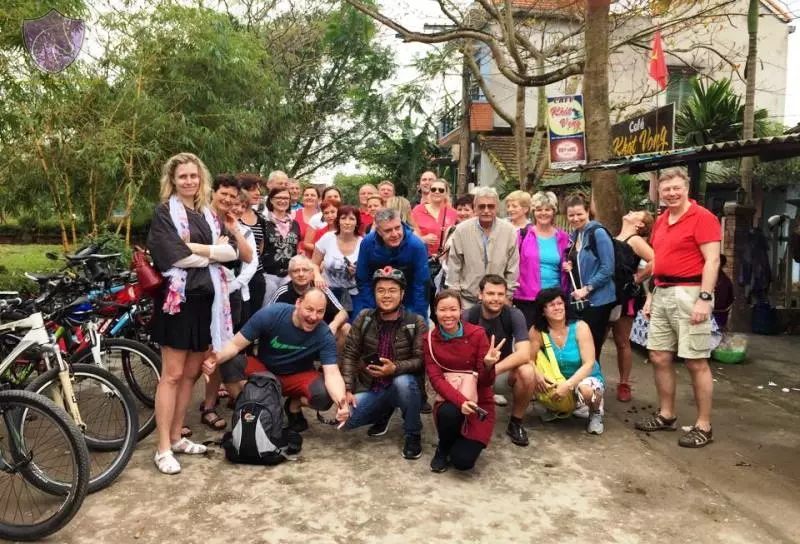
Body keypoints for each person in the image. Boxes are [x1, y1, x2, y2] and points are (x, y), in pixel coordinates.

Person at [147, 152, 239, 474]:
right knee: (171, 375)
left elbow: (233, 252)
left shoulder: (208, 216)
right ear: (172, 180)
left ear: (201, 179)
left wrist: (201, 250)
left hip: (206, 303)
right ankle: (161, 448)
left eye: (193, 176)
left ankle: (176, 437)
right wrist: (213, 255)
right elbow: (172, 257)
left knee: (190, 375)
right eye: (182, 176)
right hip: (178, 301)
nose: (188, 181)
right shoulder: (164, 214)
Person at [635, 168, 721, 449]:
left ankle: (703, 425)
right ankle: (666, 414)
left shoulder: (703, 218)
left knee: (696, 359)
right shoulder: (661, 221)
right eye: (666, 189)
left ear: (687, 188)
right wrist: (651, 295)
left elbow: (712, 260)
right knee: (659, 355)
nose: (671, 193)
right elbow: (659, 259)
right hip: (663, 291)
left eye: (676, 188)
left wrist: (705, 298)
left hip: (691, 291)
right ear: (660, 192)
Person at [203, 290, 351, 433]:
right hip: (265, 371)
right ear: (298, 303)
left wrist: (341, 402)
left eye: (320, 311)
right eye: (309, 309)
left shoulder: (324, 334)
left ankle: (293, 405)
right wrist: (214, 359)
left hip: (297, 375)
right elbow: (235, 345)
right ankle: (248, 407)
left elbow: (332, 373)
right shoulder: (272, 314)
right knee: (229, 362)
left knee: (324, 396)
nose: (314, 316)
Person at [340, 267, 428, 459]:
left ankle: (412, 433)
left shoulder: (416, 322)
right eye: (381, 290)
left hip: (406, 387)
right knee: (347, 421)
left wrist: (394, 368)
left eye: (392, 290)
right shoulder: (364, 318)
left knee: (402, 382)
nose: (386, 295)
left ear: (402, 294)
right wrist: (346, 390)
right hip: (373, 388)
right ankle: (384, 412)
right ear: (374, 293)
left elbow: (421, 361)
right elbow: (349, 354)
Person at [198, 175, 255, 432]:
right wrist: (214, 250)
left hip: (227, 296)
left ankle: (209, 406)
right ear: (214, 192)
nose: (229, 201)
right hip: (200, 293)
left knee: (219, 351)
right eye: (225, 195)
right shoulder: (199, 217)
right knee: (195, 354)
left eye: (234, 198)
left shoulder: (235, 225)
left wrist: (233, 229)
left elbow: (247, 255)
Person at [425, 290, 504, 473]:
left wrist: (487, 365)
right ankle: (443, 446)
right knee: (448, 412)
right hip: (450, 398)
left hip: (479, 400)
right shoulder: (429, 339)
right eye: (442, 310)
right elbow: (436, 379)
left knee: (463, 462)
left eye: (453, 309)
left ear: (461, 310)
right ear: (435, 312)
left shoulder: (477, 334)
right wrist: (461, 401)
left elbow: (486, 382)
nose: (448, 315)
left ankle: (461, 438)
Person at [463, 275, 535, 447]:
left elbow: (524, 353)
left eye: (500, 294)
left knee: (528, 371)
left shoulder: (514, 314)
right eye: (491, 293)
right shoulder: (468, 315)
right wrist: (480, 371)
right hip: (473, 375)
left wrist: (492, 370)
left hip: (499, 373)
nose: (496, 299)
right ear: (480, 295)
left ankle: (516, 423)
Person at [528, 288, 606, 435]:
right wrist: (537, 374)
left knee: (587, 391)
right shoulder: (537, 330)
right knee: (529, 375)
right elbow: (529, 359)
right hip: (557, 378)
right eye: (551, 305)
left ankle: (595, 412)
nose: (557, 308)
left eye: (560, 303)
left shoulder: (580, 327)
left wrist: (568, 385)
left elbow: (589, 363)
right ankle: (557, 408)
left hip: (584, 377)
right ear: (542, 311)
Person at [445, 187, 519, 310]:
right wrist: (455, 298)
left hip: (497, 301)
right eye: (481, 206)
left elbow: (512, 267)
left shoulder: (509, 231)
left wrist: (508, 295)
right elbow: (454, 266)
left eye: (490, 206)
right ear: (475, 208)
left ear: (497, 208)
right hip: (467, 300)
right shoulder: (462, 230)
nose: (486, 210)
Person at [562, 193, 616, 360]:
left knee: (592, 346)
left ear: (588, 212)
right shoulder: (576, 235)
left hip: (598, 300)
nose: (575, 218)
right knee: (579, 344)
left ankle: (593, 383)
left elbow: (608, 268)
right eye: (571, 215)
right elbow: (581, 262)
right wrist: (569, 265)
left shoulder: (598, 233)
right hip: (580, 301)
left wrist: (587, 288)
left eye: (579, 214)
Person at [610, 210, 654, 403]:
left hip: (625, 295)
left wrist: (638, 278)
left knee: (622, 341)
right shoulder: (614, 237)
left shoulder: (635, 240)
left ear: (640, 225)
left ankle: (624, 383)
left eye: (636, 213)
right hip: (608, 294)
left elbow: (656, 259)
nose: (629, 212)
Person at [352, 208, 429, 319]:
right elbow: (363, 279)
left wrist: (418, 317)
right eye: (388, 230)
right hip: (376, 297)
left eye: (397, 228)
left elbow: (422, 285)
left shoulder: (416, 245)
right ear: (378, 231)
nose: (395, 234)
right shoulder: (367, 243)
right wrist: (373, 308)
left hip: (409, 297)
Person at [513, 191, 570, 329]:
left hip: (555, 298)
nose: (543, 213)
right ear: (533, 212)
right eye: (539, 209)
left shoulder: (564, 237)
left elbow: (568, 263)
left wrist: (569, 265)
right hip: (528, 298)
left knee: (553, 338)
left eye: (547, 209)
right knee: (531, 340)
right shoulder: (522, 235)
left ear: (554, 212)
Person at [269, 255, 351, 350]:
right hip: (292, 338)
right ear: (290, 274)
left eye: (305, 270)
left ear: (312, 273)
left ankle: (330, 362)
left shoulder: (322, 289)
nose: (301, 274)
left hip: (318, 335)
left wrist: (333, 325)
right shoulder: (282, 292)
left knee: (346, 328)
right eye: (296, 271)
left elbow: (343, 313)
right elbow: (267, 317)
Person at [312, 205, 362, 310]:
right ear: (338, 221)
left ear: (357, 223)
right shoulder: (327, 238)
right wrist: (317, 276)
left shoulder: (363, 243)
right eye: (343, 218)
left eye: (352, 219)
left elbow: (368, 274)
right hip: (328, 291)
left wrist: (358, 272)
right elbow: (314, 264)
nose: (347, 222)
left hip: (354, 293)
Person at [236, 174, 268, 318]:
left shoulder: (260, 218)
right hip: (236, 274)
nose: (258, 193)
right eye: (253, 189)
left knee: (253, 318)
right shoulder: (233, 216)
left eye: (259, 189)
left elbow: (260, 247)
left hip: (256, 275)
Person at [262, 187, 301, 303]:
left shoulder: (295, 224)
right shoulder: (263, 221)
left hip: (288, 275)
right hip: (268, 275)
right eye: (278, 197)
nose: (282, 201)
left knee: (287, 308)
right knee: (267, 309)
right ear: (271, 200)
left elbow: (296, 248)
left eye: (286, 198)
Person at [411, 178, 457, 257]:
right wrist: (423, 239)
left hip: (445, 259)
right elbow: (409, 233)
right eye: (433, 189)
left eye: (441, 190)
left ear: (446, 193)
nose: (437, 192)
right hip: (422, 256)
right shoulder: (417, 210)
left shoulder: (453, 213)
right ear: (430, 192)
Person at [296, 185, 321, 254]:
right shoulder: (293, 215)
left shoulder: (324, 217)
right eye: (306, 195)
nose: (309, 197)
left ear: (319, 200)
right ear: (302, 198)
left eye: (312, 195)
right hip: (297, 258)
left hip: (317, 257)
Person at [713, 254, 734, 331]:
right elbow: (731, 300)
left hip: (714, 315)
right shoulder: (726, 280)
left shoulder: (709, 278)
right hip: (721, 315)